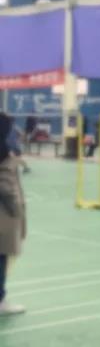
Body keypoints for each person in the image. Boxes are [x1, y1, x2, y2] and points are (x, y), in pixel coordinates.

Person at [0, 113, 27, 316]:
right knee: (1, 256)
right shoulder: (4, 156)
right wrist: (18, 212)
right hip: (3, 217)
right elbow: (7, 188)